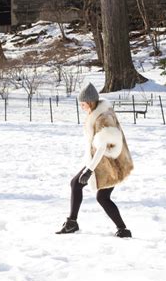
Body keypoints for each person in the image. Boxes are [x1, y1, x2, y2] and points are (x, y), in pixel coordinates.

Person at [56, 83, 134, 238]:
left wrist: (89, 169)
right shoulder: (96, 114)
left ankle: (122, 229)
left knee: (100, 196)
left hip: (112, 164)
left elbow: (103, 147)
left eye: (83, 103)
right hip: (102, 161)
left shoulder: (103, 118)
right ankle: (73, 222)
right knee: (78, 185)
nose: (82, 106)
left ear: (90, 102)